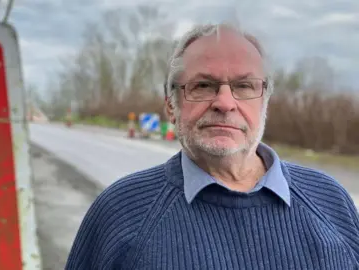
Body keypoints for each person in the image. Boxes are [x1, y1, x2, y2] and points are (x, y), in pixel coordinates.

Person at [65, 23, 359, 269]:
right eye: (203, 86)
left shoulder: (330, 200)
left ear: (264, 103)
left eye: (244, 86)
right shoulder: (120, 211)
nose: (225, 103)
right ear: (171, 106)